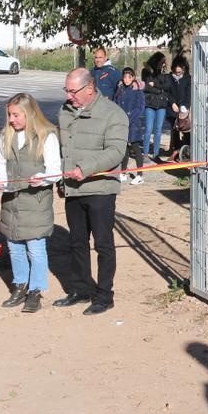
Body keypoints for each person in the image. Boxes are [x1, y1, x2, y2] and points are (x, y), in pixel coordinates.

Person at [56, 68, 128, 315]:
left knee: (103, 244)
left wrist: (85, 168)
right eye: (66, 90)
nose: (68, 96)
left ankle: (104, 295)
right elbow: (63, 149)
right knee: (76, 242)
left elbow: (116, 152)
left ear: (90, 88)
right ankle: (80, 289)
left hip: (100, 189)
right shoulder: (65, 112)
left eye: (72, 91)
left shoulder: (113, 114)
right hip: (73, 189)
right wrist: (61, 179)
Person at [0, 93, 60, 314]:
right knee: (14, 247)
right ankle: (20, 285)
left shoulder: (46, 136)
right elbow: (1, 163)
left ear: (29, 113)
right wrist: (0, 183)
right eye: (9, 115)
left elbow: (55, 171)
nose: (11, 119)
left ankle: (35, 290)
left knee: (35, 249)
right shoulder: (6, 136)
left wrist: (43, 177)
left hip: (36, 203)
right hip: (12, 202)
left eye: (15, 115)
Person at [114, 67, 146, 185]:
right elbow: (116, 103)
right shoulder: (120, 89)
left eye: (129, 77)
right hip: (122, 123)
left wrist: (129, 117)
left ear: (133, 78)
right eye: (125, 77)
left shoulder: (138, 90)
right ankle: (123, 172)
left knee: (136, 147)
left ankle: (140, 175)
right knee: (124, 148)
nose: (126, 79)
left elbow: (140, 107)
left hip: (134, 124)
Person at [141, 52, 170, 160]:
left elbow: (167, 86)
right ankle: (145, 154)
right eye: (162, 62)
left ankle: (156, 154)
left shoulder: (163, 73)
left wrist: (157, 86)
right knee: (148, 129)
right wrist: (160, 90)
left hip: (161, 105)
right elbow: (147, 87)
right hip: (150, 104)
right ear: (156, 61)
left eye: (164, 63)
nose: (163, 64)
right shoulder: (146, 71)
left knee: (158, 130)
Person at [166, 56, 192, 161]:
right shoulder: (169, 78)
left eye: (180, 72)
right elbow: (167, 91)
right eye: (176, 72)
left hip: (184, 108)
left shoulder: (188, 78)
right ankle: (176, 150)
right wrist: (172, 103)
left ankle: (187, 149)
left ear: (184, 69)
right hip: (172, 108)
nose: (178, 74)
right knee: (174, 129)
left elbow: (188, 94)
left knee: (186, 129)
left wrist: (184, 106)